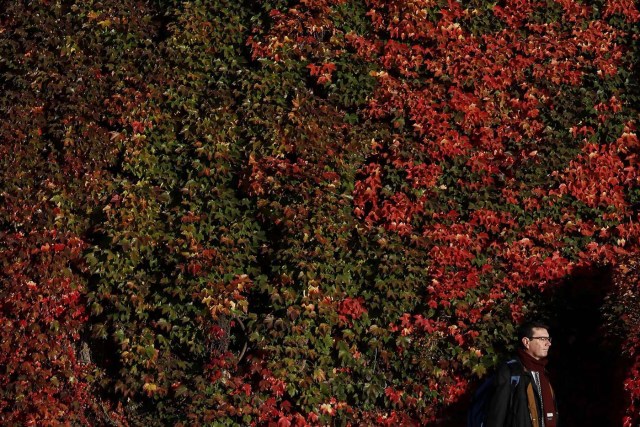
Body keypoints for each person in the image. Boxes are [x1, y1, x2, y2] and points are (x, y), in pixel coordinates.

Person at [485, 320, 559, 427]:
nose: (548, 343)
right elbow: (497, 414)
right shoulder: (511, 371)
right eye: (542, 339)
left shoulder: (544, 372)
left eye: (548, 339)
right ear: (526, 342)